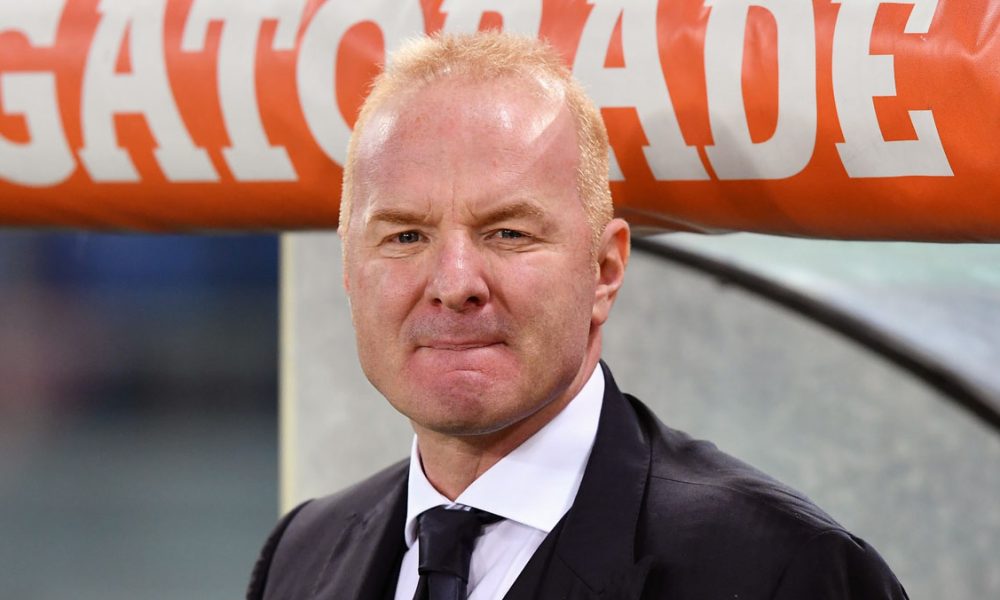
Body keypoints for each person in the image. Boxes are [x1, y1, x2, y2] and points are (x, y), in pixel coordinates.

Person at [247, 31, 907, 600]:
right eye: (405, 236)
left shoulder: (783, 572)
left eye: (508, 233)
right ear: (348, 272)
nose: (453, 284)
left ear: (605, 270)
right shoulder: (300, 558)